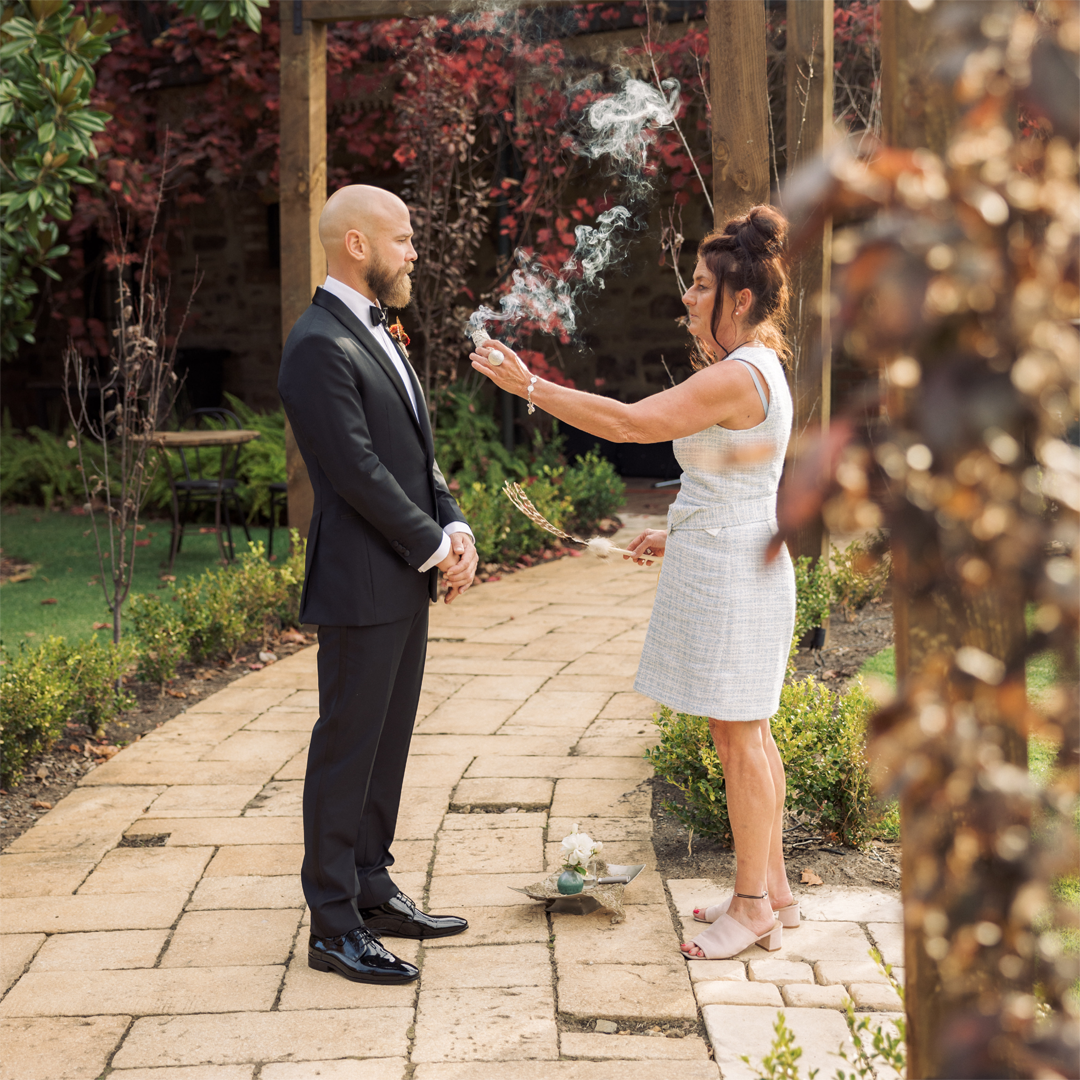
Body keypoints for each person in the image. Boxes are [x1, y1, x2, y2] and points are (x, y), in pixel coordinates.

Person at [471, 205, 798, 961]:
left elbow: (627, 424)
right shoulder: (756, 368)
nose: (686, 297)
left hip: (736, 572)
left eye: (699, 284)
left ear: (739, 299)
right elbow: (734, 473)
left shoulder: (740, 372)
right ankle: (773, 890)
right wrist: (674, 527)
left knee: (742, 737)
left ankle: (752, 909)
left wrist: (532, 387)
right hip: (732, 553)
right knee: (742, 731)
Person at [279, 184, 477, 985]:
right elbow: (356, 469)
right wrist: (430, 545)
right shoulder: (317, 343)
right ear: (355, 244)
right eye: (402, 238)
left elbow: (412, 451)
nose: (414, 251)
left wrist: (453, 525)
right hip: (362, 579)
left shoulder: (383, 327)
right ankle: (332, 924)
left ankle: (369, 887)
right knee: (346, 747)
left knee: (387, 743)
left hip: (403, 573)